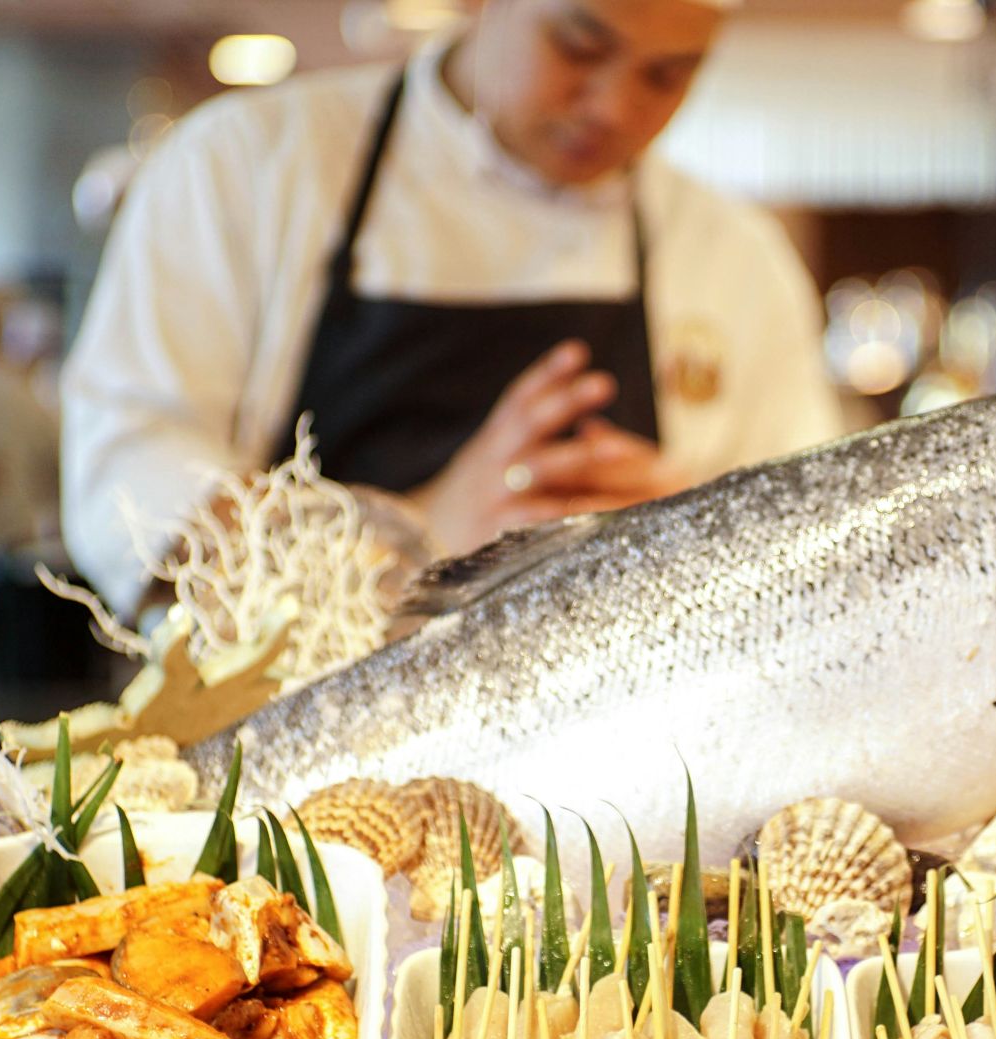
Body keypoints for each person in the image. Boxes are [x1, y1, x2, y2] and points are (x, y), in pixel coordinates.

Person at [62, 0, 844, 615]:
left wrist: (688, 531)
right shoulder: (246, 165)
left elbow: (821, 541)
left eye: (668, 74)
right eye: (578, 46)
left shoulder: (733, 253)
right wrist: (415, 539)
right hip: (289, 759)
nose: (613, 107)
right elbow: (132, 492)